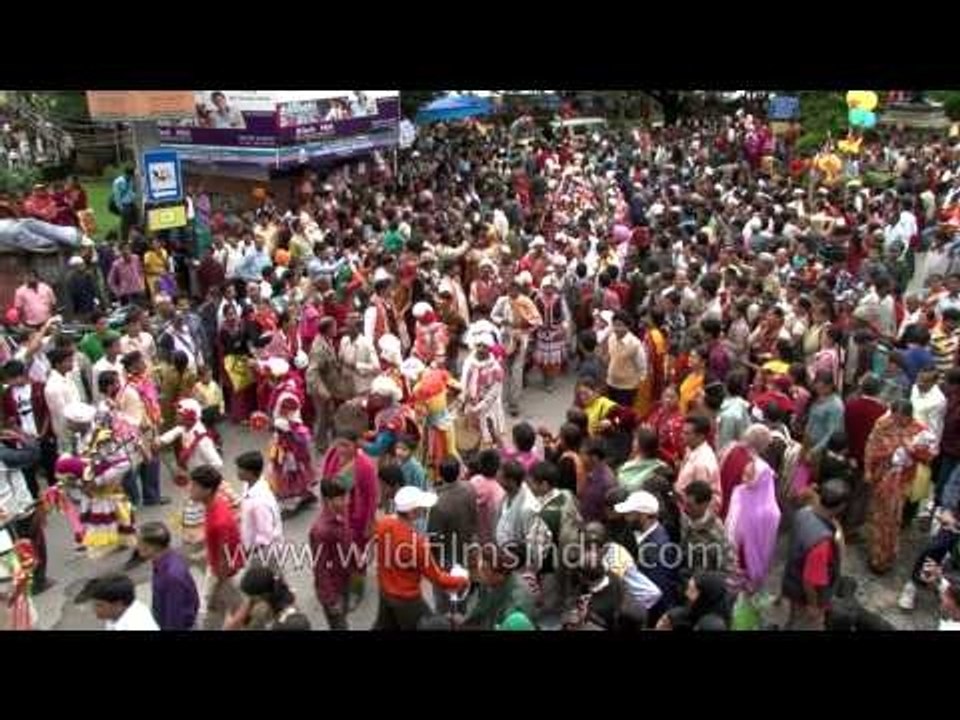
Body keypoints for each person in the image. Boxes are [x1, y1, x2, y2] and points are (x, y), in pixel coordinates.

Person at [373, 486, 470, 630]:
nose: (424, 510)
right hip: (408, 600)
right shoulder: (416, 544)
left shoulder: (383, 524)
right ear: (412, 513)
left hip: (386, 593)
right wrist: (462, 580)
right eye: (421, 508)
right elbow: (438, 578)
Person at [864, 399, 939, 574]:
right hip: (881, 476)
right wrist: (868, 469)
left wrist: (912, 449)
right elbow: (871, 446)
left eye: (901, 418)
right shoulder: (883, 424)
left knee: (892, 519)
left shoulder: (919, 430)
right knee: (877, 517)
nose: (896, 421)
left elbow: (930, 455)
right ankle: (877, 554)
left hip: (901, 481)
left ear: (908, 416)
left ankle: (884, 557)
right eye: (894, 416)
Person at [781, 479, 850, 630]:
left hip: (792, 581)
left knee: (794, 618)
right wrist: (813, 605)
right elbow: (809, 581)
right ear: (841, 506)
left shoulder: (803, 512)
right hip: (805, 596)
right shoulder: (821, 542)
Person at [188, 465, 243, 630]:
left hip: (225, 575)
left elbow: (224, 559)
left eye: (194, 486)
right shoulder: (216, 503)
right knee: (220, 612)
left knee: (233, 611)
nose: (190, 489)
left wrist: (217, 585)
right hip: (221, 570)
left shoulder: (218, 522)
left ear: (208, 490)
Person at [614, 489, 679, 624]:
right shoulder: (642, 535)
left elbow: (655, 593)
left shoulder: (656, 550)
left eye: (630, 514)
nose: (625, 518)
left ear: (643, 516)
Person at [725, 445, 781, 594]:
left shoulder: (771, 512)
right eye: (744, 474)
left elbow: (767, 544)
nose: (744, 479)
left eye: (750, 476)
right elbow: (730, 521)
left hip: (751, 561)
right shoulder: (738, 492)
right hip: (733, 553)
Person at [427, 456, 478, 612]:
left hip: (446, 559)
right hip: (466, 551)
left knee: (443, 600)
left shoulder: (438, 503)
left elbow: (434, 538)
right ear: (459, 471)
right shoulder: (470, 489)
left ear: (440, 475)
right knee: (461, 594)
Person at [309, 478, 359, 630]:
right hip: (333, 589)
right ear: (327, 500)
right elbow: (320, 568)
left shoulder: (341, 514)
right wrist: (331, 600)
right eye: (341, 498)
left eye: (347, 497)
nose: (347, 502)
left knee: (343, 619)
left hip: (344, 580)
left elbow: (347, 540)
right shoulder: (320, 531)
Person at [137, 522, 199, 631]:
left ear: (153, 547)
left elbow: (174, 618)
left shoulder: (172, 576)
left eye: (140, 543)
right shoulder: (163, 560)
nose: (137, 546)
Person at [680, 480, 736, 578]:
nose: (685, 508)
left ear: (704, 505)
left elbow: (728, 569)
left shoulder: (716, 533)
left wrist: (704, 581)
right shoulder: (684, 519)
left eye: (690, 505)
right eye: (684, 503)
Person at [459, 331, 505, 448]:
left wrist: (479, 407)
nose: (480, 349)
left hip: (488, 408)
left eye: (484, 346)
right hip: (471, 404)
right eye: (478, 345)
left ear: (489, 349)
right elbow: (464, 382)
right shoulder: (469, 362)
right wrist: (463, 399)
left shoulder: (496, 368)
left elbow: (494, 394)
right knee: (473, 435)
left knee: (491, 433)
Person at [236, 451, 282, 566]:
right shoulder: (248, 485)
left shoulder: (260, 503)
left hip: (264, 552)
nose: (237, 471)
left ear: (250, 472)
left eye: (240, 469)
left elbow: (265, 535)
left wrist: (249, 551)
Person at [86, 573, 159, 631]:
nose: (94, 609)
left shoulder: (136, 626)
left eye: (99, 605)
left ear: (118, 605)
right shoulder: (116, 614)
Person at [676, 413, 721, 507]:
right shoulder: (691, 448)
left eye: (687, 433)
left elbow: (700, 502)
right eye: (682, 432)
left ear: (701, 436)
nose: (681, 436)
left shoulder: (702, 463)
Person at [605, 311, 647, 407]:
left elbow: (642, 368)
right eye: (615, 325)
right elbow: (611, 358)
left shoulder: (635, 344)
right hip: (611, 383)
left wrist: (637, 386)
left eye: (620, 325)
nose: (617, 329)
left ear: (628, 326)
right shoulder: (611, 338)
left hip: (627, 388)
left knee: (623, 412)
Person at [495, 459, 539, 547]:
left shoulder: (528, 507)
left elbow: (531, 542)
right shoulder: (505, 496)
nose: (497, 480)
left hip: (516, 552)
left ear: (511, 481)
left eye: (500, 478)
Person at [468, 449, 506, 545]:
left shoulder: (472, 482)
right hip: (490, 541)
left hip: (472, 538)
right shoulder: (500, 492)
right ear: (498, 468)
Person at [579, 438, 617, 524]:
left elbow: (608, 513)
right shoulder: (591, 473)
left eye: (582, 454)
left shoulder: (606, 481)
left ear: (594, 457)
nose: (580, 457)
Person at [111, 166, 138, 242]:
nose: (131, 177)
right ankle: (124, 240)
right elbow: (117, 196)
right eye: (130, 175)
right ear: (126, 174)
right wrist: (120, 207)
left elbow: (131, 191)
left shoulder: (131, 180)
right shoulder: (118, 182)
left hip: (131, 203)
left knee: (134, 221)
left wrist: (134, 197)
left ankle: (133, 238)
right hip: (124, 205)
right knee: (125, 224)